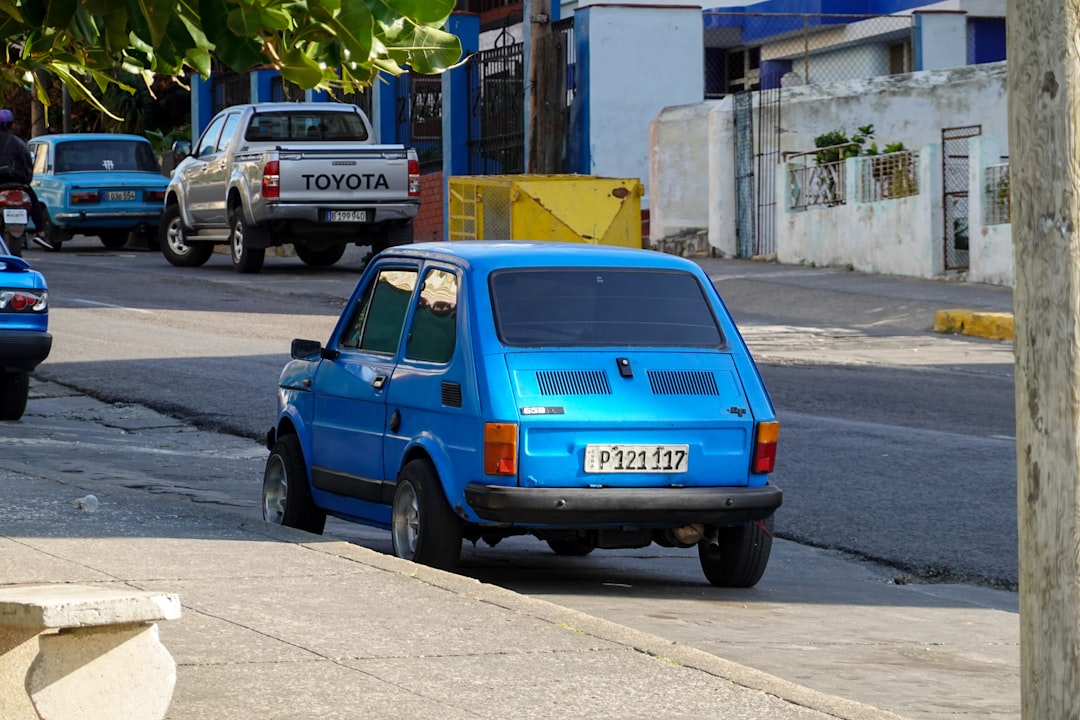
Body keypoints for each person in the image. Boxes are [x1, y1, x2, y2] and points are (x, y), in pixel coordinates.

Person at [0, 109, 51, 250]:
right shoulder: (19, 142)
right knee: (33, 199)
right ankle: (41, 232)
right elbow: (29, 163)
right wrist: (26, 182)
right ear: (10, 124)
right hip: (19, 183)